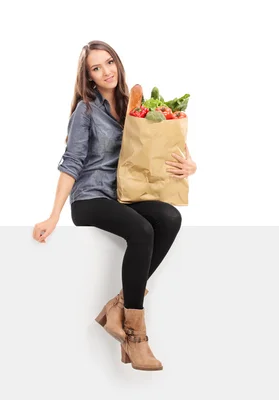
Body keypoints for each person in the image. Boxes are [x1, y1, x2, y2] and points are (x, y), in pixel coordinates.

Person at [31, 40, 197, 371]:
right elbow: (71, 162)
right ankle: (136, 337)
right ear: (88, 77)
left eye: (109, 62)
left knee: (169, 217)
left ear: (117, 64)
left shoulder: (134, 107)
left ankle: (118, 306)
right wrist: (53, 216)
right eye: (96, 67)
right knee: (141, 229)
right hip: (90, 198)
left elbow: (158, 149)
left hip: (123, 195)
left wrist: (189, 164)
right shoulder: (87, 110)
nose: (106, 71)